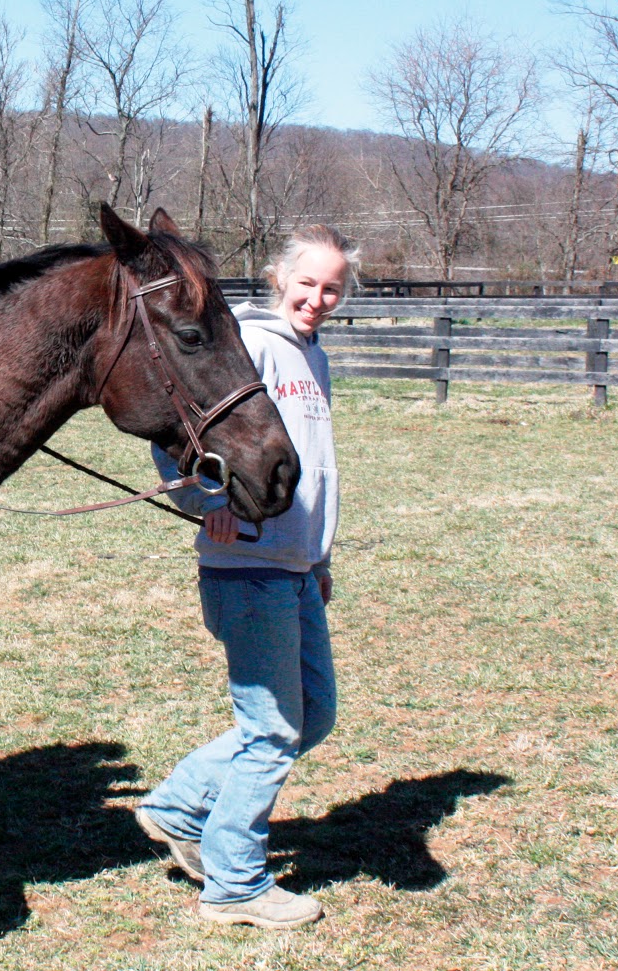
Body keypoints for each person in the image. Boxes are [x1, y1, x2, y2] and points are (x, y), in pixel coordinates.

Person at [135, 224, 359, 929]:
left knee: (309, 716)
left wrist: (317, 557)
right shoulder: (252, 340)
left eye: (332, 288)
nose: (318, 298)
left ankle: (177, 806)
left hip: (293, 566)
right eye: (307, 283)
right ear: (279, 279)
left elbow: (311, 465)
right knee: (271, 729)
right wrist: (206, 501)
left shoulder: (312, 354)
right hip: (245, 563)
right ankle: (234, 879)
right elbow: (175, 430)